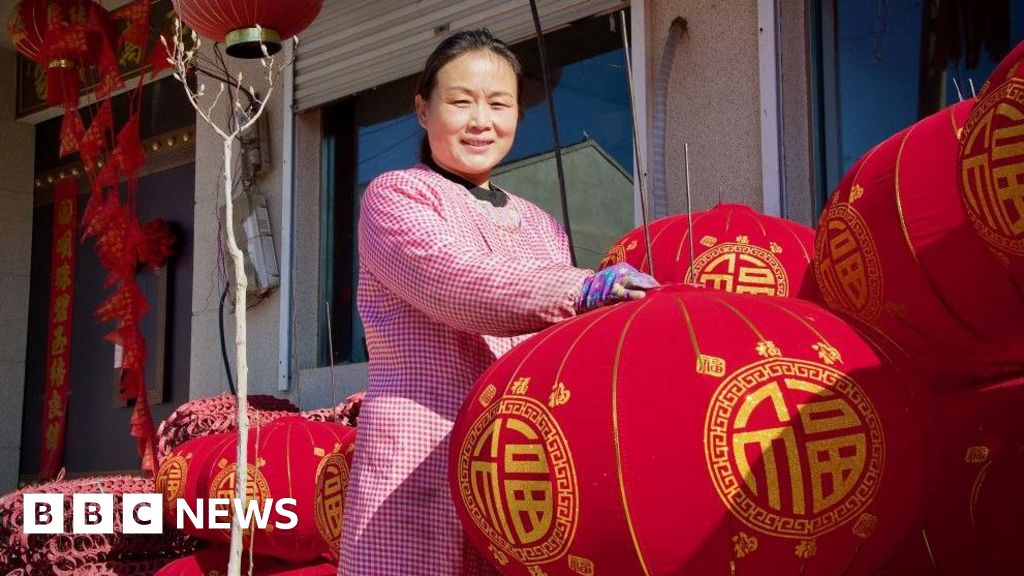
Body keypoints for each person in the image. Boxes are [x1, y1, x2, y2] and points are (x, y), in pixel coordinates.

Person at [338, 28, 658, 576]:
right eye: (460, 102)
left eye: (499, 104)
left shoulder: (542, 224)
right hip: (422, 451)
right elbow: (452, 281)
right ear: (423, 109)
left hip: (516, 457)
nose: (480, 120)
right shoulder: (396, 194)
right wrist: (581, 289)